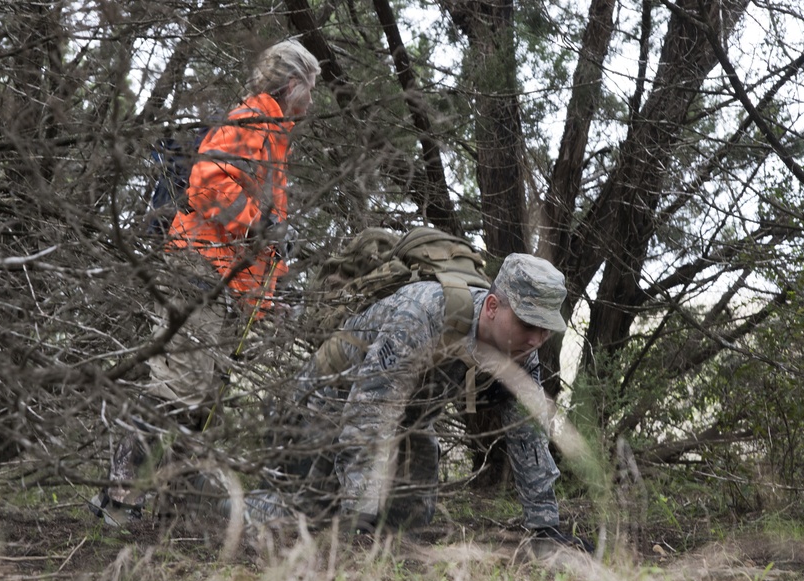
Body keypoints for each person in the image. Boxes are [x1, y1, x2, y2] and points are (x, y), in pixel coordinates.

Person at [90, 39, 321, 524]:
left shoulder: (274, 135)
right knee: (176, 391)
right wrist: (260, 223)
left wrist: (268, 290)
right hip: (200, 269)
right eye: (310, 84)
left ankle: (166, 504)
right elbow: (209, 183)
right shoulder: (251, 119)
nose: (313, 97)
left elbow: (267, 238)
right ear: (289, 81)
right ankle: (119, 500)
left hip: (225, 283)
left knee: (198, 399)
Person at [246, 253, 593, 550]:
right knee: (304, 515)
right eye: (528, 323)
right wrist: (361, 514)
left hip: (406, 419)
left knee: (408, 520)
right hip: (325, 404)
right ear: (491, 306)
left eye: (546, 328)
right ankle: (214, 498)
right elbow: (369, 410)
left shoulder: (520, 349)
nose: (537, 339)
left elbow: (526, 431)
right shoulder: (422, 315)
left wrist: (545, 525)